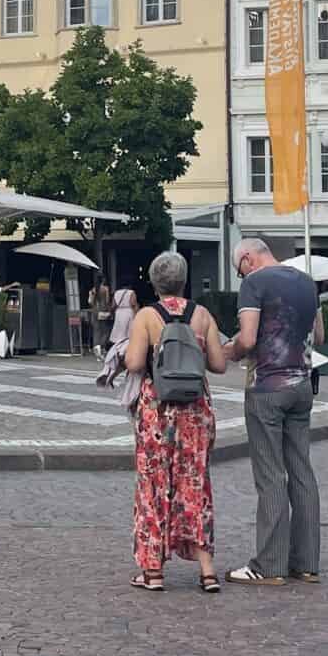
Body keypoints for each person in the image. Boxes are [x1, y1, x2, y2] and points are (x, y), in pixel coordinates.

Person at [119, 250, 228, 593]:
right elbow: (219, 364)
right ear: (184, 280)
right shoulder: (202, 315)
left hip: (158, 410)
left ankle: (153, 571)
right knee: (195, 483)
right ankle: (207, 570)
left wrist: (124, 353)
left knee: (153, 485)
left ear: (154, 282)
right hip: (195, 410)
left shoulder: (148, 316)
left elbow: (136, 364)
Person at [221, 238, 320, 587]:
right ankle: (306, 564)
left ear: (247, 258)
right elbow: (318, 336)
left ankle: (269, 565)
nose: (240, 275)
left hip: (267, 387)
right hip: (302, 386)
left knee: (271, 475)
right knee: (302, 472)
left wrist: (228, 351)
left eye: (238, 269)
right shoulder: (307, 282)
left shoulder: (254, 284)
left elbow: (247, 340)